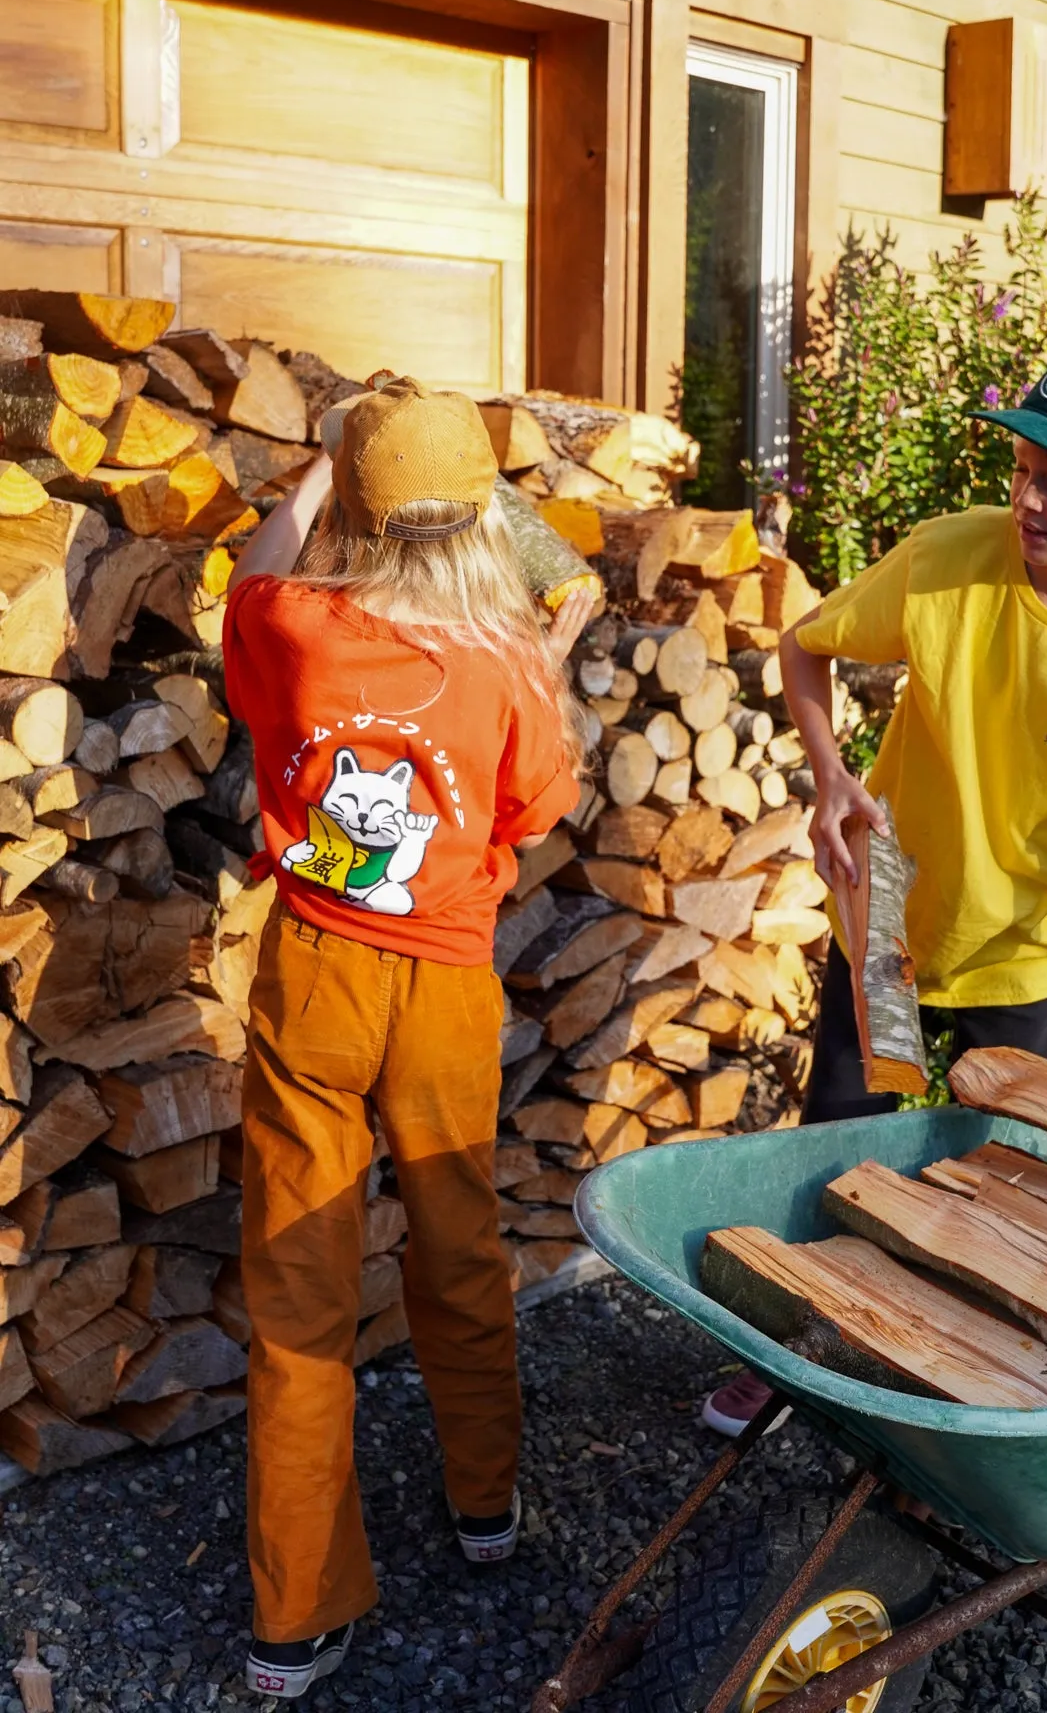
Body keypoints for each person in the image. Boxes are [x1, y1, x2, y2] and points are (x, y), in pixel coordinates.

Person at [702, 350, 1047, 1438]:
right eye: (1021, 469)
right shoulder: (950, 558)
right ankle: (796, 1358)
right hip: (889, 921)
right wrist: (832, 774)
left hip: (1023, 946)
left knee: (977, 1183)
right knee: (840, 1149)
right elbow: (803, 648)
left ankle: (934, 1382)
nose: (1024, 498)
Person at [222, 378, 592, 1700]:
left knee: (299, 1293)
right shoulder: (501, 659)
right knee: (457, 1241)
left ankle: (294, 1615)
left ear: (361, 510)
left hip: (314, 973)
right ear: (478, 510)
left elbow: (248, 589)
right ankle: (482, 1505)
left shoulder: (301, 629)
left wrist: (314, 478)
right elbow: (539, 809)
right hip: (442, 991)